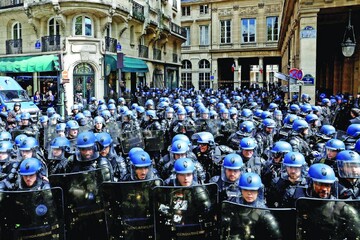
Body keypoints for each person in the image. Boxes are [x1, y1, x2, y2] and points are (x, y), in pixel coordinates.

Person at [223, 172, 282, 240]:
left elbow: (276, 235)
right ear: (241, 190)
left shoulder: (263, 211)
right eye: (245, 190)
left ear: (258, 191)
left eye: (253, 190)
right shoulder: (233, 203)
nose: (249, 193)